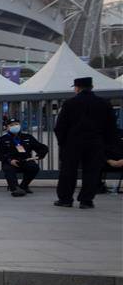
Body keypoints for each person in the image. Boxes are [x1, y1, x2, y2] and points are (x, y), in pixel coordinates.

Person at [53, 77, 117, 209]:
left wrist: (63, 143)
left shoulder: (70, 103)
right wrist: (107, 145)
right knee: (92, 171)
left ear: (77, 88)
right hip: (95, 142)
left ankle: (65, 199)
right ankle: (86, 200)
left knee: (68, 171)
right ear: (92, 87)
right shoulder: (104, 103)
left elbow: (60, 126)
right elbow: (111, 127)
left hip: (73, 142)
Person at [0, 117, 48, 197]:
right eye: (11, 125)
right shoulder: (2, 139)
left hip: (25, 161)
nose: (15, 126)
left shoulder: (28, 137)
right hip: (10, 162)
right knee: (8, 169)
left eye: (17, 124)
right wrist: (9, 160)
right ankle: (14, 188)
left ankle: (23, 186)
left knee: (34, 167)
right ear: (7, 127)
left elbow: (42, 147)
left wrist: (40, 155)